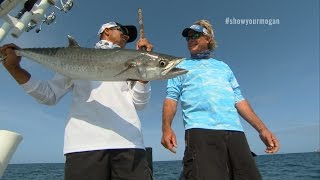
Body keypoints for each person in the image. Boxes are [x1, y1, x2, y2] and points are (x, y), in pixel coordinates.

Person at [1, 21, 154, 180]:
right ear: (106, 31)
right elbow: (49, 95)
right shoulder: (76, 58)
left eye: (128, 36)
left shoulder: (133, 63)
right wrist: (14, 68)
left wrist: (144, 72)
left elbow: (139, 104)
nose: (126, 36)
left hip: (130, 145)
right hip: (84, 146)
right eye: (122, 30)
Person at [161, 20, 280, 180]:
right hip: (200, 132)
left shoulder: (223, 67)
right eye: (188, 37)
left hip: (235, 133)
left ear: (208, 38)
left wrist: (262, 129)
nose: (190, 39)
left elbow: (239, 100)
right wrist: (166, 128)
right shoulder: (179, 66)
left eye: (195, 35)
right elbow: (171, 98)